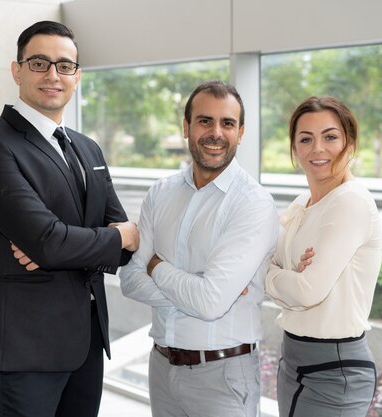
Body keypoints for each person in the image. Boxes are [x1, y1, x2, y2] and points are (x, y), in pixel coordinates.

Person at [0, 21, 139, 417]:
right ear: (17, 70)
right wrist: (113, 236)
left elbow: (122, 248)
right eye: (40, 63)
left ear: (77, 76)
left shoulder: (87, 148)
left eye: (65, 65)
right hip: (24, 346)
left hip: (87, 342)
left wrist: (70, 244)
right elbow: (50, 241)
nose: (53, 75)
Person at [119, 80, 279, 417]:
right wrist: (199, 292)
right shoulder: (160, 193)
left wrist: (157, 266)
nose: (216, 133)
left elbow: (209, 302)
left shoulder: (253, 203)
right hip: (161, 367)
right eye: (205, 121)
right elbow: (130, 281)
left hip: (223, 375)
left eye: (228, 123)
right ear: (186, 127)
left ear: (241, 132)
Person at [265, 96, 382, 417]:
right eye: (306, 139)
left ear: (350, 142)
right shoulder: (303, 202)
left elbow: (307, 291)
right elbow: (279, 270)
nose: (318, 148)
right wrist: (287, 276)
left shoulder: (350, 202)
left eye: (330, 137)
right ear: (294, 148)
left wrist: (272, 275)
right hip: (293, 358)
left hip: (335, 369)